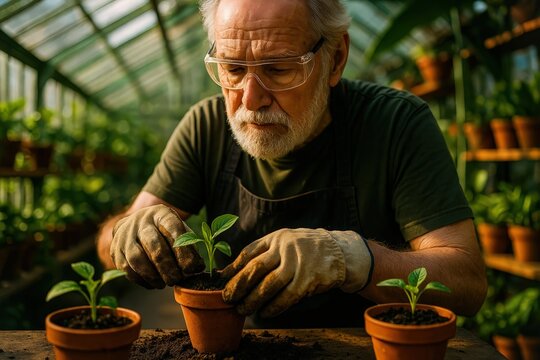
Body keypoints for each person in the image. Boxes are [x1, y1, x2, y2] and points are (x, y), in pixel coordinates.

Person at [97, 0, 487, 328]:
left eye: (279, 69)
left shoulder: (395, 124)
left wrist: (350, 257)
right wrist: (127, 233)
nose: (250, 99)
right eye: (232, 69)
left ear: (335, 59)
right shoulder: (206, 126)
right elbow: (110, 244)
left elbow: (467, 282)